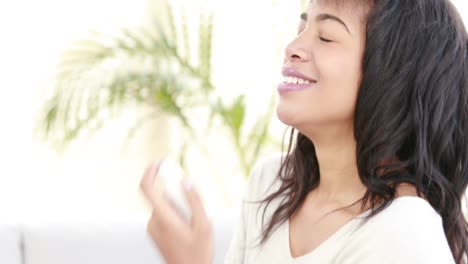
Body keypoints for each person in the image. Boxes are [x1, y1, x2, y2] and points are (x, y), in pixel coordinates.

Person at [140, 0, 468, 263]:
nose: (293, 47)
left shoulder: (405, 233)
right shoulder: (271, 184)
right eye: (301, 28)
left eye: (326, 36)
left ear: (393, 79)